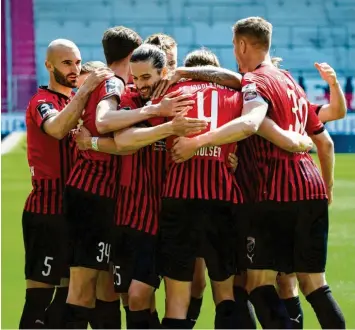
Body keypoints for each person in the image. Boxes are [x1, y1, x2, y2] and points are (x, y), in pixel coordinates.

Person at [172, 16, 346, 329]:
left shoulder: (255, 82)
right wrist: (328, 186)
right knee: (314, 284)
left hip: (273, 191)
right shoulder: (290, 82)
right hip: (312, 189)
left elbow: (251, 122)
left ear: (240, 45)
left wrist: (198, 141)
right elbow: (326, 143)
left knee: (258, 283)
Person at [19, 38, 111, 329]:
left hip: (77, 211)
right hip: (47, 212)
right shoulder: (42, 101)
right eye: (66, 63)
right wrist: (85, 89)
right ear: (49, 65)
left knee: (70, 297)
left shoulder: (75, 101)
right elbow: (57, 129)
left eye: (78, 62)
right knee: (38, 300)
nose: (75, 69)